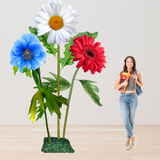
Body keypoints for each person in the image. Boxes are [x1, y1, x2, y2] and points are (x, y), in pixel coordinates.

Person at [114, 56, 143, 150]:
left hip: (133, 98)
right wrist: (123, 84)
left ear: (133, 63)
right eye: (128, 61)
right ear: (125, 63)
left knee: (131, 120)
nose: (129, 63)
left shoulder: (137, 73)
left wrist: (136, 80)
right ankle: (133, 138)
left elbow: (141, 85)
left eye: (131, 62)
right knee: (125, 120)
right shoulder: (121, 73)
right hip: (123, 97)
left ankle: (127, 141)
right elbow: (115, 87)